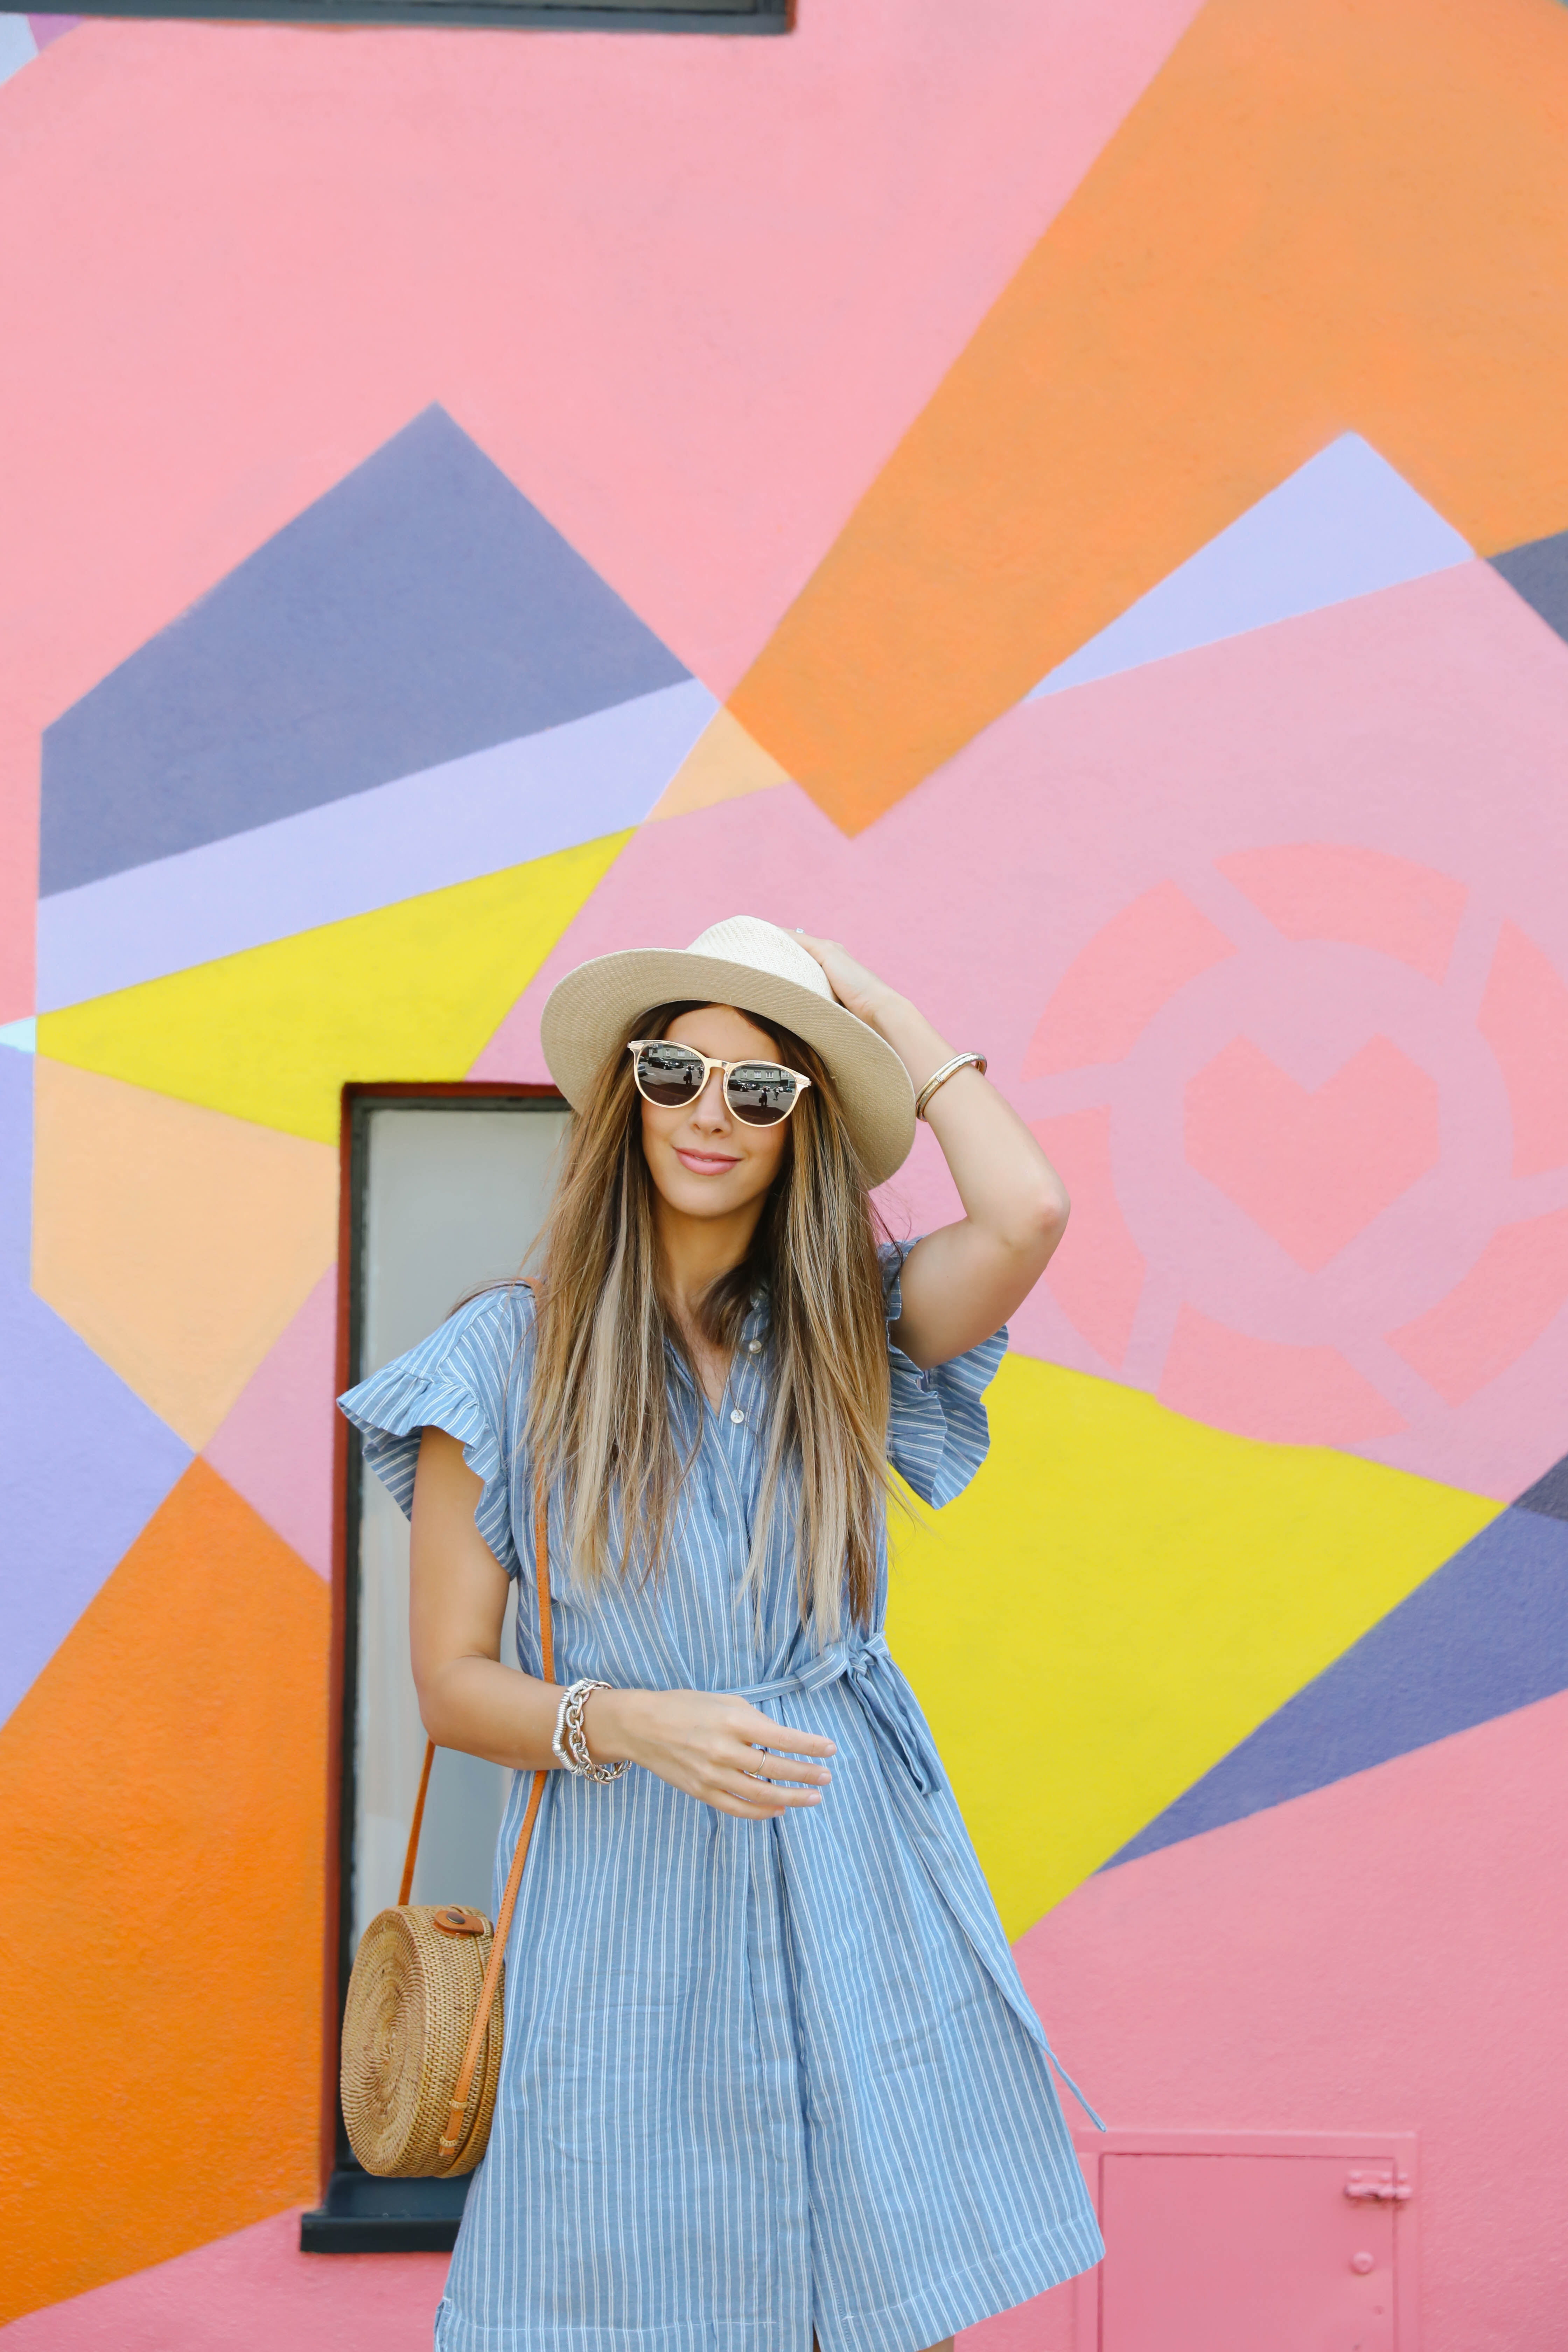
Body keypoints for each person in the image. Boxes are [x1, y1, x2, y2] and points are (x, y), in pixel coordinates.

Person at [339, 915, 1105, 2352]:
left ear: (801, 1127)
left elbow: (1028, 1215)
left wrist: (879, 1021)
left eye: (763, 1089)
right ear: (626, 1093)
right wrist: (623, 1721)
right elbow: (449, 1685)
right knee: (624, 2287)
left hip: (847, 1857)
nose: (712, 1112)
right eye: (677, 1070)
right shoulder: (501, 1358)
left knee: (885, 2298)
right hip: (627, 1876)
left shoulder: (846, 1335)